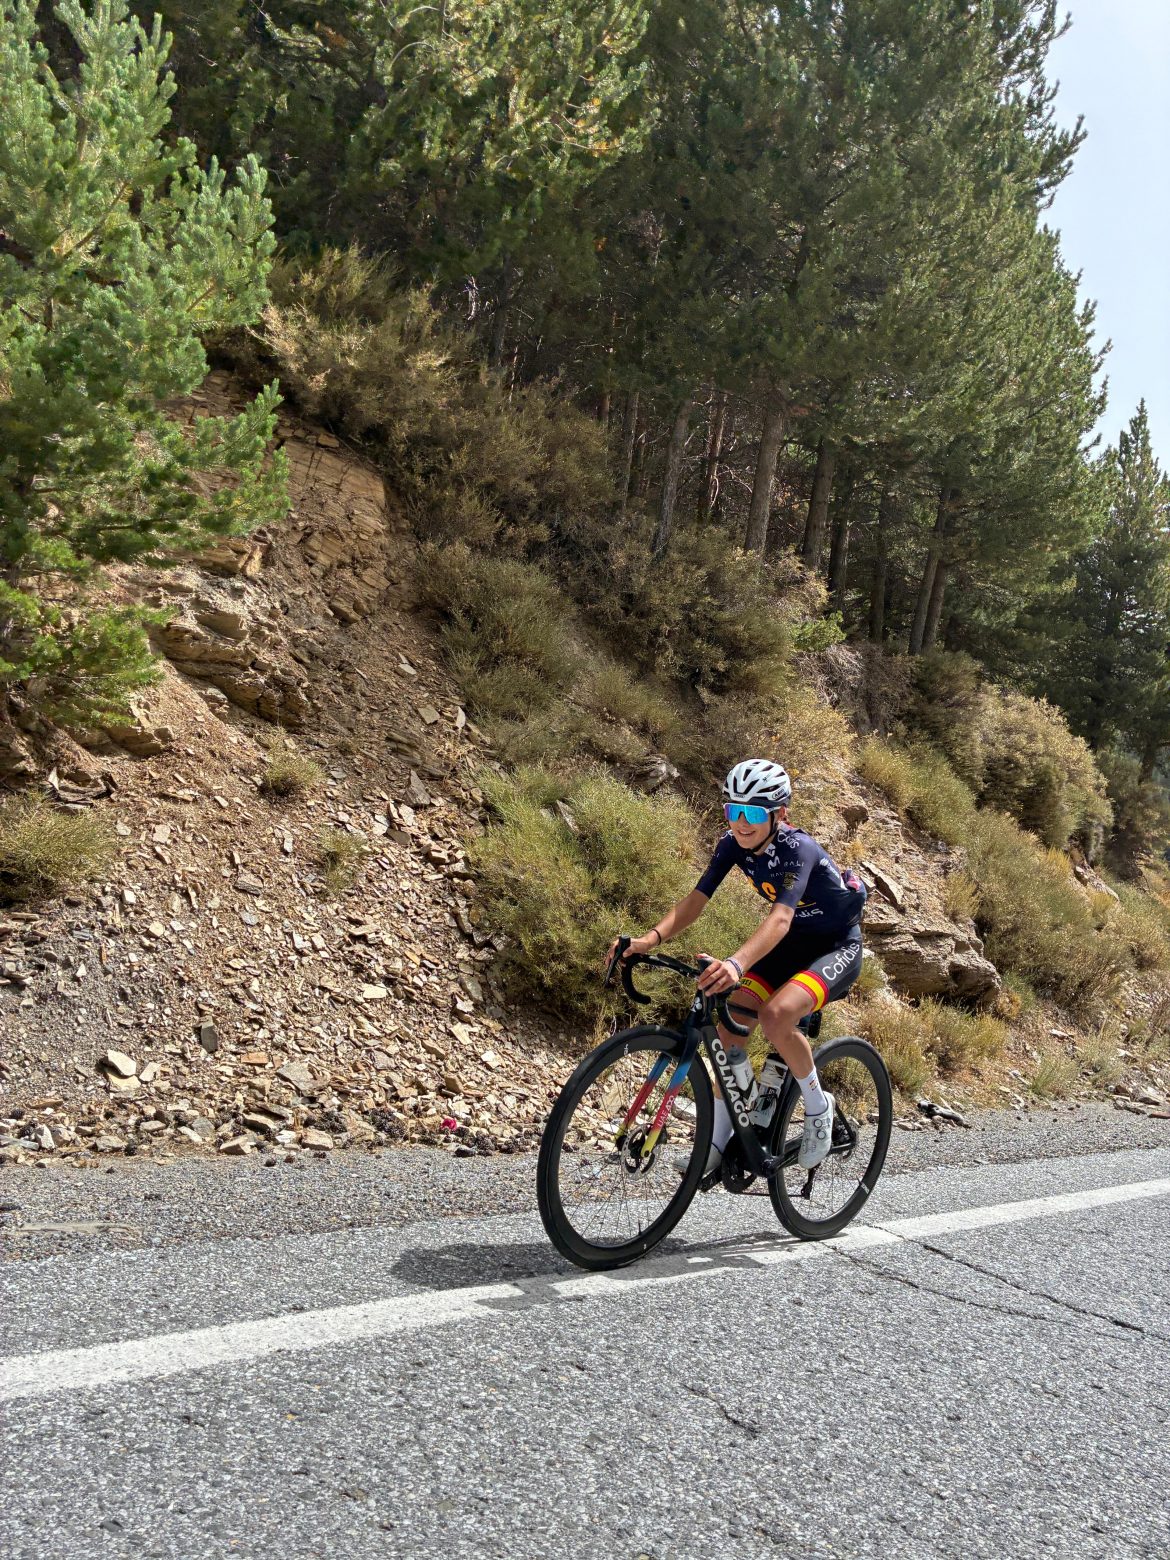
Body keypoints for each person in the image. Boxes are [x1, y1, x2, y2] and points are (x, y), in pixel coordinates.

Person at [607, 758, 867, 1173]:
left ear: (779, 814)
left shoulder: (798, 849)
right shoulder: (731, 844)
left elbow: (780, 918)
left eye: (751, 813)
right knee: (731, 1024)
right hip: (791, 945)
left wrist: (736, 963)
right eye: (733, 811)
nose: (740, 823)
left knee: (777, 1015)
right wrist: (648, 939)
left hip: (836, 947)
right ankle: (718, 1139)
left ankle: (819, 1109)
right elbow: (695, 901)